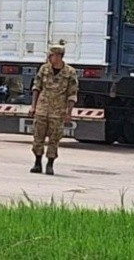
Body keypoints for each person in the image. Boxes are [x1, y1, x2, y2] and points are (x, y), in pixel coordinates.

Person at [29, 43, 79, 175]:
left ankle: (50, 163)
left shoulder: (70, 72)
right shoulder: (44, 69)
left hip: (58, 110)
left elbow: (72, 94)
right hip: (42, 107)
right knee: (38, 136)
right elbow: (36, 87)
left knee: (54, 138)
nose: (50, 58)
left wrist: (69, 112)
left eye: (51, 55)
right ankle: (37, 162)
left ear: (58, 56)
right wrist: (33, 106)